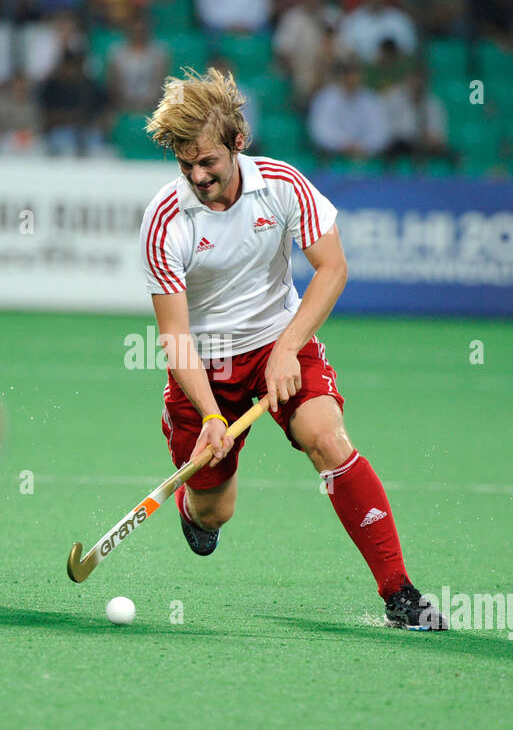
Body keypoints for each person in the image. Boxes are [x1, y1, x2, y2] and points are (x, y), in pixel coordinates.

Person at [138, 67, 447, 630]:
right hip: (205, 366)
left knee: (326, 437)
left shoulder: (282, 185)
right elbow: (175, 336)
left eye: (208, 161)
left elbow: (333, 269)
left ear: (238, 142)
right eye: (186, 165)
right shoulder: (165, 220)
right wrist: (210, 413)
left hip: (280, 340)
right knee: (215, 511)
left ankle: (400, 593)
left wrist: (287, 349)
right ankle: (194, 512)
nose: (198, 176)